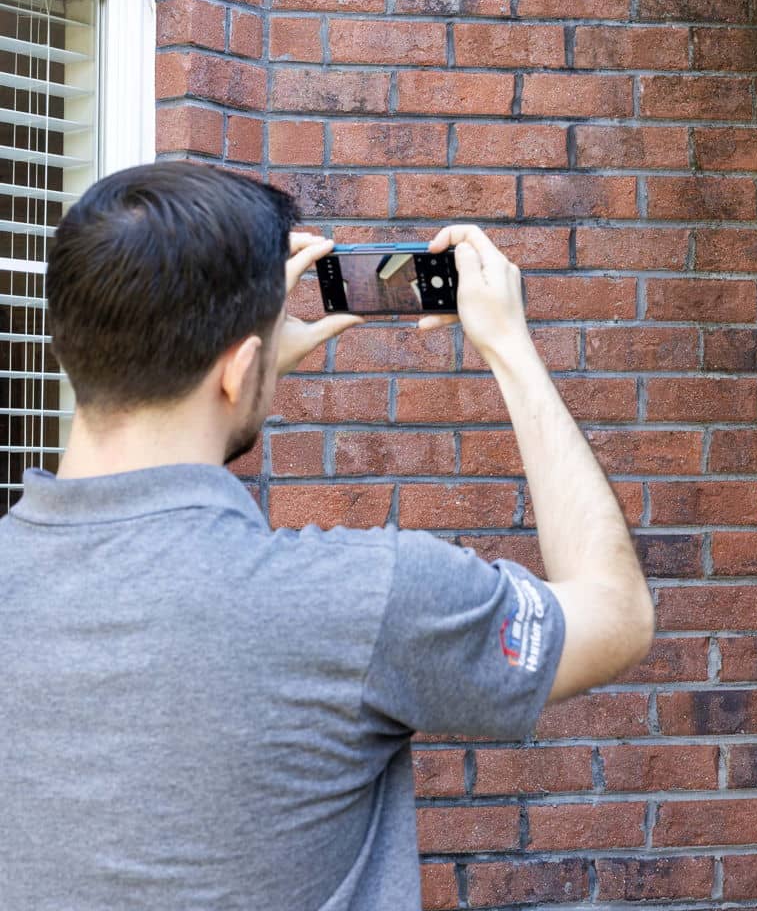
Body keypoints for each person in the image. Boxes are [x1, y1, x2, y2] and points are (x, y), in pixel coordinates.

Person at [0, 162, 654, 911]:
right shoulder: (367, 598)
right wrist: (509, 347)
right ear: (239, 366)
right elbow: (616, 612)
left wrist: (232, 374)